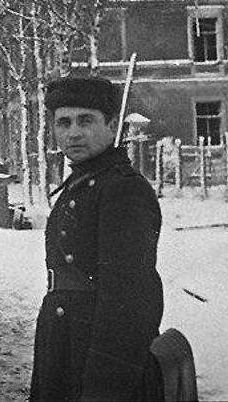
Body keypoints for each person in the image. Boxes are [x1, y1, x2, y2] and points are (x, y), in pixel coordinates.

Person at [30, 75, 164, 401]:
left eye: (85, 120)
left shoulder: (122, 189)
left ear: (111, 124)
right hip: (65, 343)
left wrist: (105, 389)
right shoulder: (84, 181)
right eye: (63, 122)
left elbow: (129, 301)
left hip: (97, 356)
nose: (73, 132)